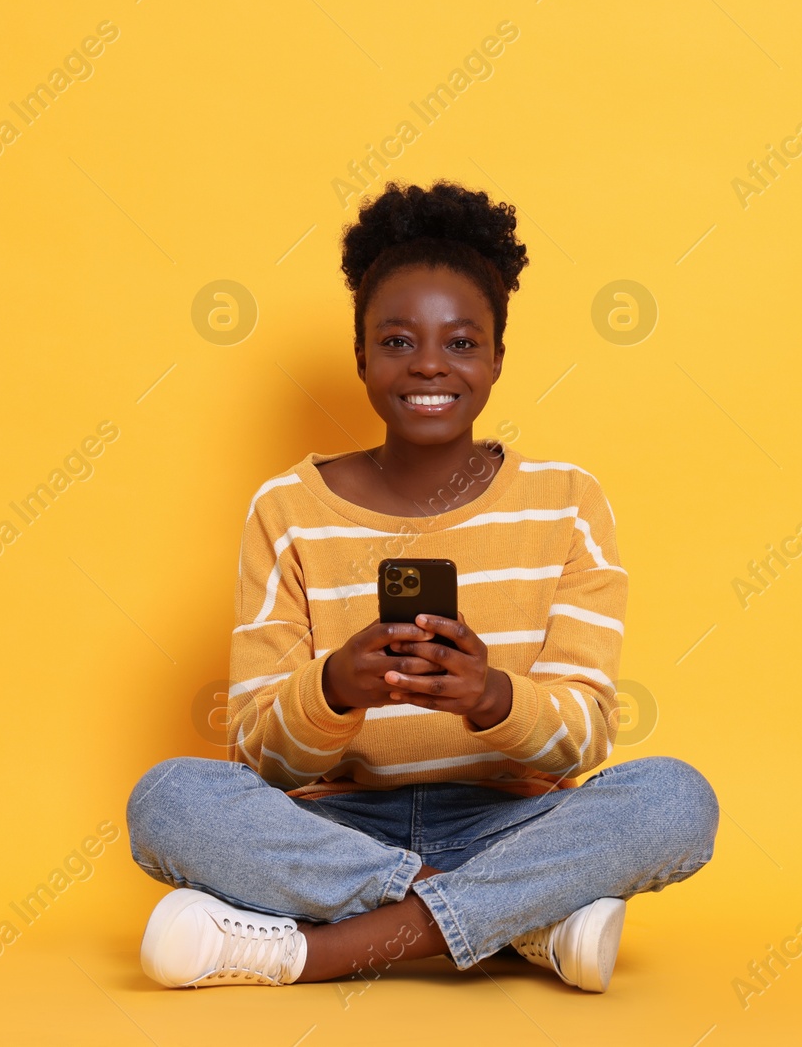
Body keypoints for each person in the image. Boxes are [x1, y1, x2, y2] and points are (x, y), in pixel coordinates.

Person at [126, 180, 717, 992]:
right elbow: (257, 758)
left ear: (498, 357)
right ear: (361, 356)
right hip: (338, 825)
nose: (430, 364)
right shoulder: (287, 509)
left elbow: (585, 737)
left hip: (514, 823)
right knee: (169, 799)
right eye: (398, 342)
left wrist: (492, 696)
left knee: (673, 801)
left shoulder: (570, 502)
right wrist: (333, 688)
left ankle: (319, 949)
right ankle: (527, 922)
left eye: (462, 343)